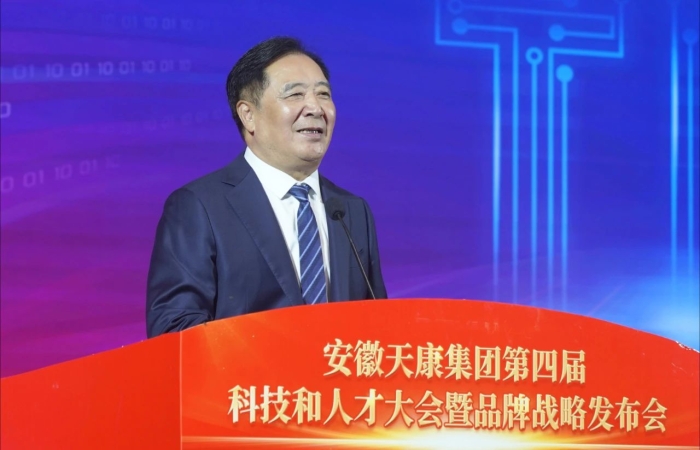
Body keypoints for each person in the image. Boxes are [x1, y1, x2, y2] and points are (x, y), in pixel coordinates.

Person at [146, 37, 387, 338]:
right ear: (248, 115)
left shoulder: (351, 210)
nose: (315, 107)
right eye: (295, 94)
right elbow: (175, 331)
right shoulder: (200, 206)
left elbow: (376, 326)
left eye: (323, 94)